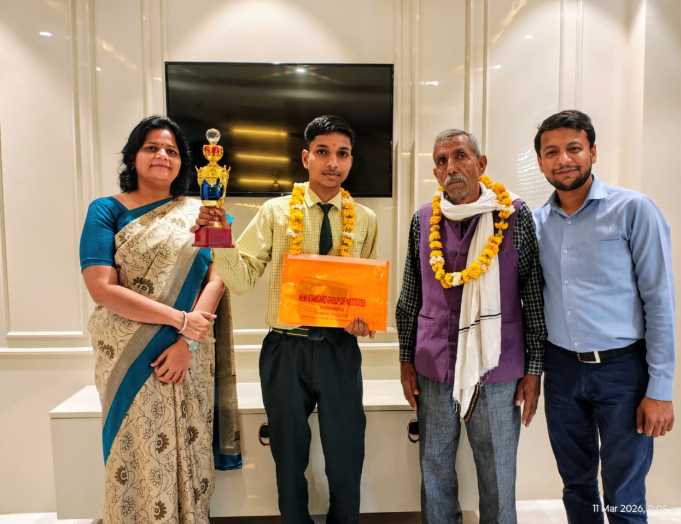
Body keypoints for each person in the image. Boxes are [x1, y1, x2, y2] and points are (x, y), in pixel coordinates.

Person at [195, 115, 378, 524]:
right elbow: (241, 279)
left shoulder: (366, 219)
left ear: (351, 160)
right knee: (288, 452)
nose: (333, 163)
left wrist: (362, 318)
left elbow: (363, 288)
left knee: (347, 451)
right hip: (285, 348)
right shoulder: (275, 213)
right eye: (323, 152)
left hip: (339, 349)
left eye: (343, 154)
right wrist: (219, 237)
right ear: (306, 157)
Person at [80, 115, 241, 524]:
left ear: (183, 162)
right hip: (128, 357)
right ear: (133, 156)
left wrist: (188, 341)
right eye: (151, 147)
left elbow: (218, 277)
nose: (162, 156)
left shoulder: (205, 211)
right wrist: (180, 320)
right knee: (136, 452)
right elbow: (101, 288)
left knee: (189, 449)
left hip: (188, 355)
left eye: (171, 150)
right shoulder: (105, 211)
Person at [532, 109, 676, 524]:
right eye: (551, 152)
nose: (563, 160)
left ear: (593, 152)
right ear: (540, 161)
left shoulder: (633, 210)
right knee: (576, 485)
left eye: (574, 148)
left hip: (623, 372)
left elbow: (659, 302)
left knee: (624, 489)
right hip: (562, 371)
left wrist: (660, 389)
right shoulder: (537, 223)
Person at [396, 129, 546, 524]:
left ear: (481, 164)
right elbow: (410, 295)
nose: (451, 167)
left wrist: (534, 369)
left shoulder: (513, 215)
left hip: (497, 366)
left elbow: (533, 294)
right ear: (435, 172)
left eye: (460, 156)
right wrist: (405, 360)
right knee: (434, 468)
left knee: (498, 473)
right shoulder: (422, 220)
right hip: (434, 365)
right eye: (441, 160)